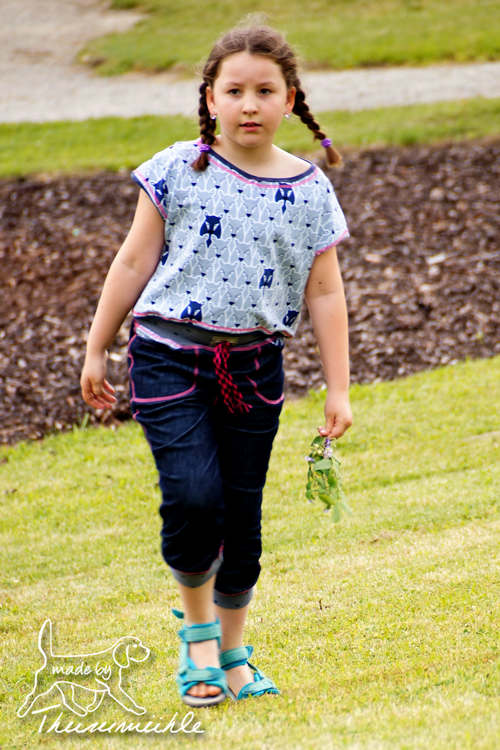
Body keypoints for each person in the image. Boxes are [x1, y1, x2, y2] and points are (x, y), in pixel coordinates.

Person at [80, 21, 353, 707]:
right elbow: (133, 261)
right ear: (210, 98)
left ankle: (233, 656)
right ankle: (198, 641)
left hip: (254, 371)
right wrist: (96, 345)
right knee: (194, 497)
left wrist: (339, 389)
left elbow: (325, 293)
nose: (249, 105)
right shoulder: (178, 170)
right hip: (167, 359)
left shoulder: (311, 191)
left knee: (242, 522)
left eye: (265, 91)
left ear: (290, 99)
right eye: (234, 91)